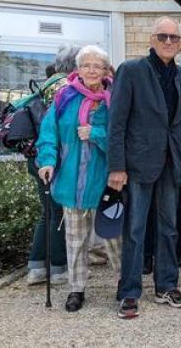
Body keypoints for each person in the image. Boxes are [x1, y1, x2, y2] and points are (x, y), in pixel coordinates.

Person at [108, 16, 181, 319]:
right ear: (152, 39)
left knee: (170, 228)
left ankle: (166, 285)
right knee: (135, 229)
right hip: (137, 165)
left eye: (174, 37)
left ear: (180, 43)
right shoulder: (131, 71)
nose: (169, 41)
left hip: (173, 166)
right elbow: (116, 122)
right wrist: (116, 166)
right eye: (163, 36)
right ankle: (129, 291)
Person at [36, 45, 120, 312]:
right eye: (86, 65)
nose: (92, 70)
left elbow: (122, 138)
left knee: (114, 240)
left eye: (98, 66)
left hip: (106, 182)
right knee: (76, 240)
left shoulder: (115, 98)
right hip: (71, 182)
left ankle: (124, 284)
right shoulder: (64, 97)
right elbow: (49, 134)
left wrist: (95, 133)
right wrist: (47, 161)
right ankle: (76, 289)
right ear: (78, 69)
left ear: (106, 70)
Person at [25, 44, 79, 286]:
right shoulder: (65, 87)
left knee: (47, 212)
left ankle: (36, 267)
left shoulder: (47, 84)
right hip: (52, 158)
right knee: (58, 213)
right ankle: (58, 269)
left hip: (36, 155)